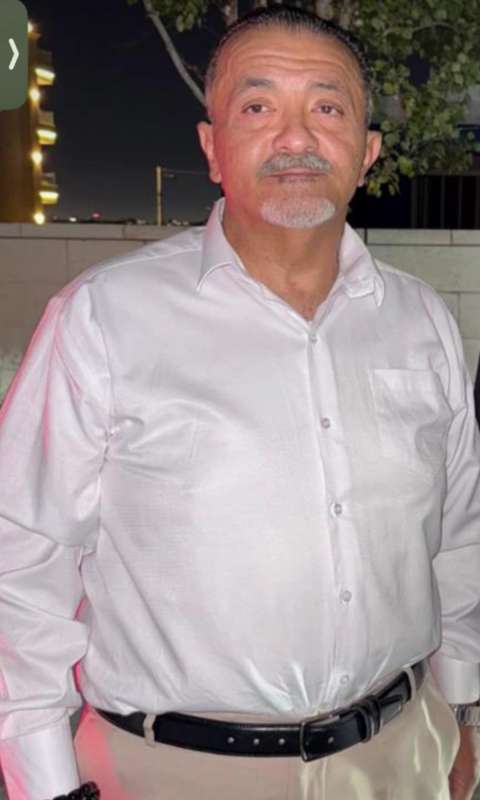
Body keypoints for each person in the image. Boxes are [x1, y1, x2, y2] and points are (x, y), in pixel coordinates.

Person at [1, 5, 480, 800]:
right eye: (258, 107)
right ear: (211, 146)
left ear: (366, 152)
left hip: (404, 753)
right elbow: (22, 561)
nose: (295, 138)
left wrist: (462, 705)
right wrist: (45, 782)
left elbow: (460, 534)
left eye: (326, 108)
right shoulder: (105, 318)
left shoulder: (420, 320)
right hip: (172, 773)